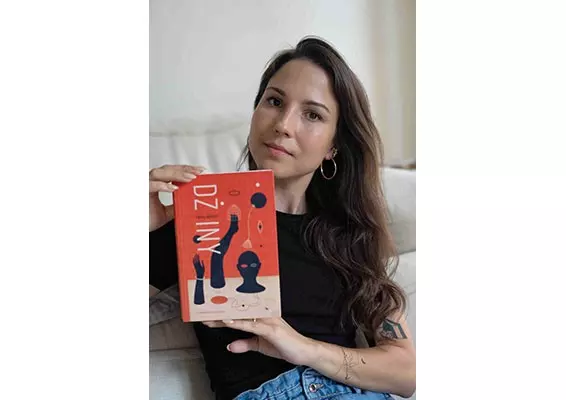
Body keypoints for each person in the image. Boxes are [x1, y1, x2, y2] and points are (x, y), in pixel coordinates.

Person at [149, 37, 416, 400]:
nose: (283, 125)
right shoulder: (203, 219)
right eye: (274, 101)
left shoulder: (351, 235)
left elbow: (405, 373)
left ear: (333, 146)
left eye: (313, 114)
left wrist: (302, 348)